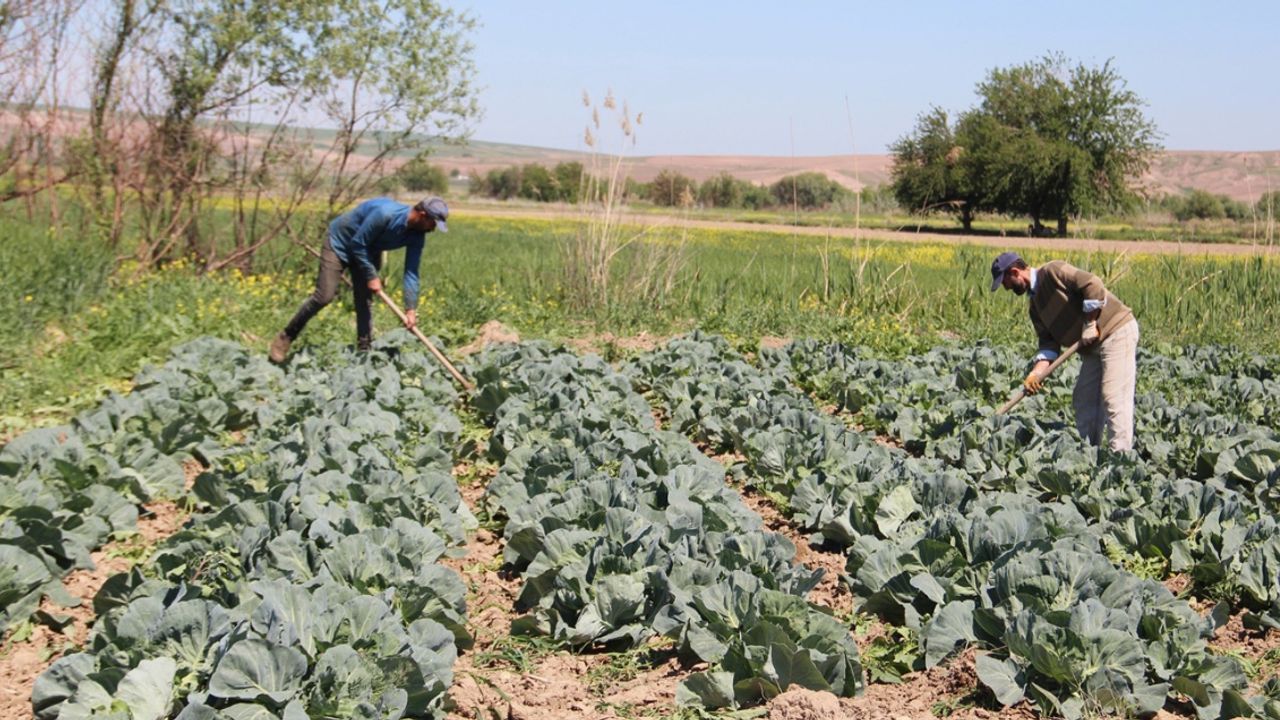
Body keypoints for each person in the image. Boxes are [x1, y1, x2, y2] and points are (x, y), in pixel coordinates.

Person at [990, 252, 1140, 451]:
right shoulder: (1035, 307)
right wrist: (1036, 374)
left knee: (1113, 396)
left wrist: (1090, 322)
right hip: (1092, 347)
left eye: (1005, 282)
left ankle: (1120, 458)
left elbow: (1093, 284)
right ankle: (1089, 454)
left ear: (1015, 272)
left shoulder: (1053, 271)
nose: (1006, 288)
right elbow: (1048, 345)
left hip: (1116, 331)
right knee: (1084, 399)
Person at [269, 196, 448, 362]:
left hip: (367, 251)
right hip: (340, 245)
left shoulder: (417, 235)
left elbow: (411, 271)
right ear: (422, 215)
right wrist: (372, 276)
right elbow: (357, 243)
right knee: (324, 296)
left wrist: (410, 308)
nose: (433, 229)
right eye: (433, 223)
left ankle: (364, 349)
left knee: (364, 300)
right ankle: (286, 336)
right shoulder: (385, 214)